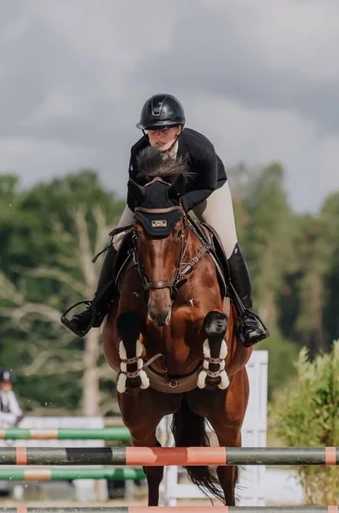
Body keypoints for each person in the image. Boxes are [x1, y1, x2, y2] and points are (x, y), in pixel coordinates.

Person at [61, 93, 269, 347]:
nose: (158, 136)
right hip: (156, 200)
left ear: (178, 129)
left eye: (165, 130)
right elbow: (134, 195)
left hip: (203, 192)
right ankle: (95, 309)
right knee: (118, 240)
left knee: (226, 241)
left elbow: (206, 186)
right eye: (152, 131)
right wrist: (150, 213)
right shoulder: (139, 152)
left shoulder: (200, 148)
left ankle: (247, 317)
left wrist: (179, 207)